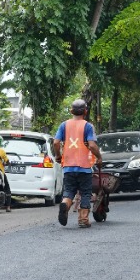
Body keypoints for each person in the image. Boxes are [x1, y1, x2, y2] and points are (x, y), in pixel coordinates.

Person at [53, 98, 102, 229]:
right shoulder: (88, 126)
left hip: (68, 166)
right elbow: (92, 145)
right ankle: (83, 219)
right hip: (85, 167)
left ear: (71, 111)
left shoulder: (64, 125)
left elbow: (56, 142)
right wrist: (99, 156)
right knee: (86, 193)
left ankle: (65, 204)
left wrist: (58, 155)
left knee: (69, 191)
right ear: (85, 111)